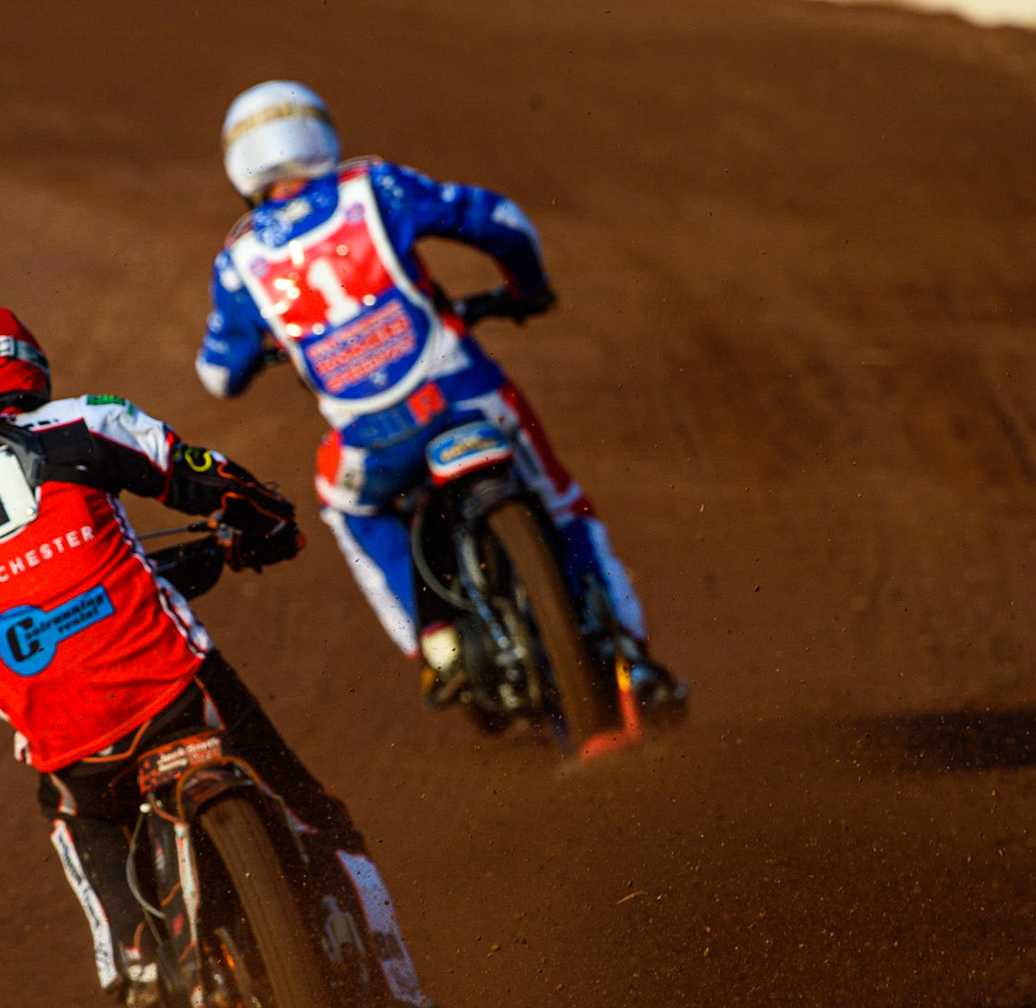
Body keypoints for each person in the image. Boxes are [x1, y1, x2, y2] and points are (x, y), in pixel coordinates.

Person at [0, 303, 442, 1008]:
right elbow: (207, 477)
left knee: (73, 805)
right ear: (21, 365)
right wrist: (269, 521)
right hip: (173, 687)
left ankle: (127, 954)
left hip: (67, 733)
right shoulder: (82, 423)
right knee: (322, 822)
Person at [195, 81, 685, 716]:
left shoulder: (240, 262)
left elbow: (218, 374)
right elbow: (501, 222)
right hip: (468, 397)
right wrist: (526, 289)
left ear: (240, 163)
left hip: (375, 444)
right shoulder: (374, 188)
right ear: (318, 134)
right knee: (563, 504)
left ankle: (435, 644)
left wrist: (259, 356)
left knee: (345, 505)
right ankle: (631, 654)